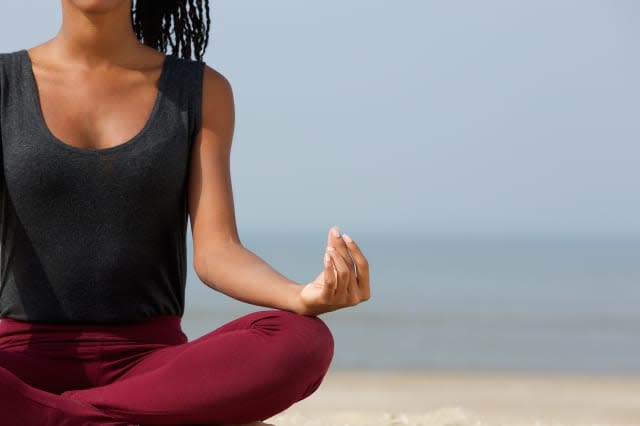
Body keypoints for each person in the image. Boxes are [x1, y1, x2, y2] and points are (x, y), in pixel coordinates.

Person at [0, 1, 371, 425]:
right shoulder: (4, 83)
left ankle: (59, 415)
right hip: (21, 361)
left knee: (304, 340)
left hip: (151, 369)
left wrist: (302, 296)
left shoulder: (201, 90)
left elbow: (218, 251)